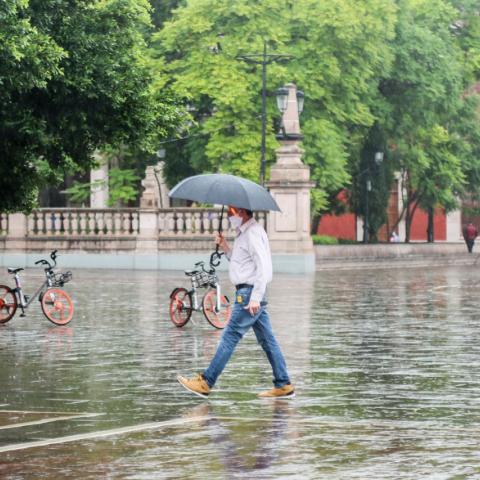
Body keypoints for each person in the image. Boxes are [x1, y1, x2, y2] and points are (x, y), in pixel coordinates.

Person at [177, 205, 294, 399]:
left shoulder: (253, 233)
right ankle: (283, 384)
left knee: (229, 337)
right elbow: (242, 263)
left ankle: (207, 381)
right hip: (249, 292)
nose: (230, 215)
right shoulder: (244, 233)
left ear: (242, 212)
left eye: (232, 212)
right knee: (268, 340)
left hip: (249, 295)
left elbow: (262, 267)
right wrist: (225, 248)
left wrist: (256, 297)